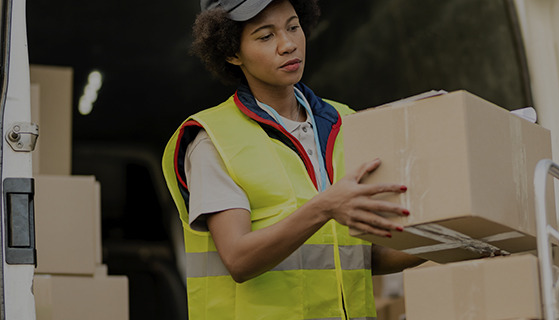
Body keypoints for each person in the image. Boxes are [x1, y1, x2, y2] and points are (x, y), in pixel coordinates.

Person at [161, 0, 425, 319]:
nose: (288, 45)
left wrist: (463, 239)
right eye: (265, 36)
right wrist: (325, 206)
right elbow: (238, 259)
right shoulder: (213, 140)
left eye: (293, 26)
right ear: (232, 52)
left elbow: (366, 257)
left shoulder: (347, 122)